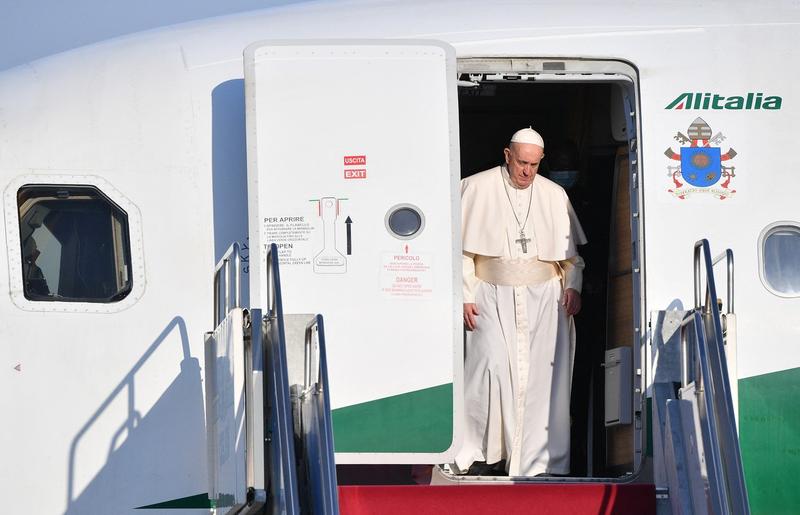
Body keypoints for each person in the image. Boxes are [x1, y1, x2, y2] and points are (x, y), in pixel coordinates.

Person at [454, 127, 587, 477]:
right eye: (521, 163)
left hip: (544, 302)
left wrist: (573, 287)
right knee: (489, 368)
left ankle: (538, 463)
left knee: (541, 381)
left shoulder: (554, 194)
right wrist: (465, 295)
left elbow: (571, 258)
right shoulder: (476, 187)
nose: (527, 172)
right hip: (490, 296)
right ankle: (482, 455)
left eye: (534, 165)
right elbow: (461, 254)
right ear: (507, 155)